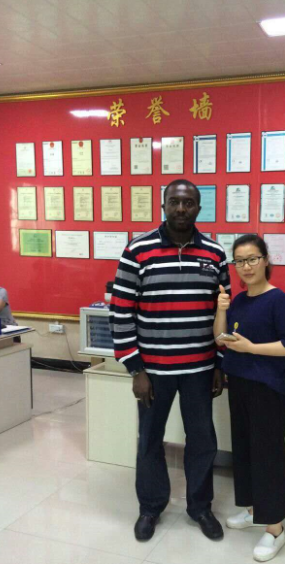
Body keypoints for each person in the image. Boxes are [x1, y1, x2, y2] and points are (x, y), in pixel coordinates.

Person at [109, 179, 231, 542]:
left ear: (199, 208)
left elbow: (222, 313)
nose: (181, 208)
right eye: (174, 202)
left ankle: (200, 507)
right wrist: (135, 368)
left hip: (200, 369)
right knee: (150, 439)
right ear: (163, 205)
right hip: (153, 371)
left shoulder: (215, 253)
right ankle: (150, 507)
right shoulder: (138, 249)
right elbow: (121, 311)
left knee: (203, 441)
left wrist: (219, 363)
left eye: (188, 202)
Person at [214, 235, 285, 562]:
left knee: (268, 457)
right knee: (244, 451)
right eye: (239, 261)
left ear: (266, 260)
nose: (246, 266)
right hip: (238, 384)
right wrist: (221, 310)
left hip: (267, 390)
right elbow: (220, 338)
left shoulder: (278, 300)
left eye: (252, 258)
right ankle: (254, 510)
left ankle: (275, 529)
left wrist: (252, 348)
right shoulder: (239, 300)